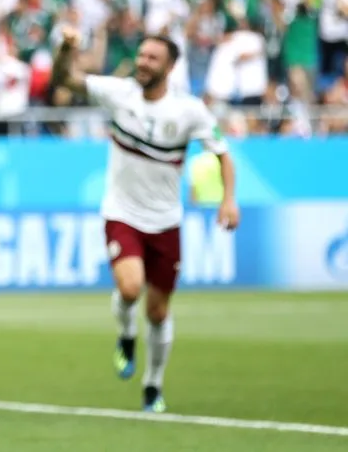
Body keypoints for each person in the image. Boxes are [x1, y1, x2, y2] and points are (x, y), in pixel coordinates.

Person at [50, 26, 240, 413]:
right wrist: (66, 49)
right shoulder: (119, 93)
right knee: (131, 288)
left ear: (170, 66)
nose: (142, 62)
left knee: (158, 311)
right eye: (140, 55)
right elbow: (63, 80)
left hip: (166, 221)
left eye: (152, 57)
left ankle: (153, 384)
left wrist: (228, 201)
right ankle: (124, 333)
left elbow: (222, 153)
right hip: (122, 213)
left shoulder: (189, 111)